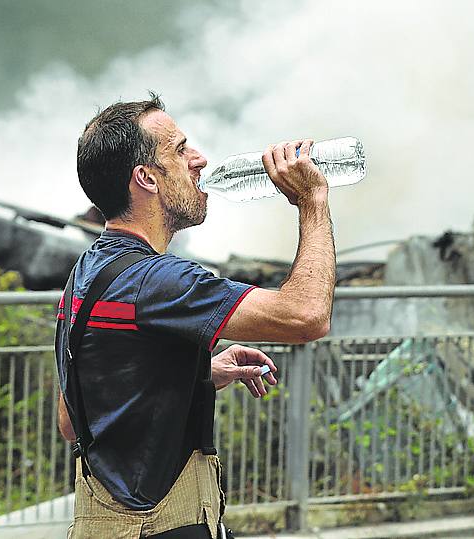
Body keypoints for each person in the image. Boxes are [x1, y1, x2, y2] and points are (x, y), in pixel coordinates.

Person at [54, 93, 336, 538]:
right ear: (146, 177)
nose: (199, 159)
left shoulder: (86, 275)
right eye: (180, 149)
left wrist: (198, 372)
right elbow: (307, 316)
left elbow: (73, 420)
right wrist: (312, 201)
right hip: (164, 527)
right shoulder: (161, 281)